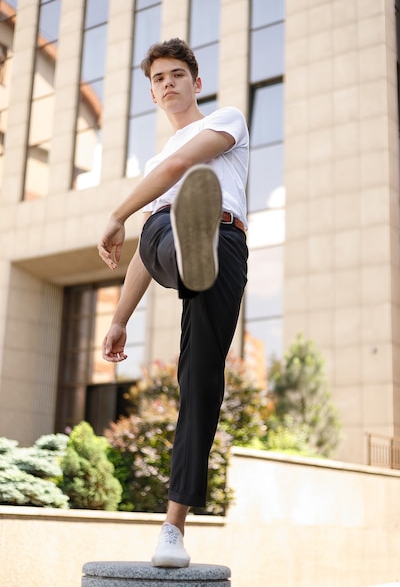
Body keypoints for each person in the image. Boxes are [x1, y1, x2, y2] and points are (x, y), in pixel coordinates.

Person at [98, 38, 249, 568]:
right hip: (169, 237)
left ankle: (173, 527)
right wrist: (119, 320)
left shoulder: (227, 119)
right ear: (153, 93)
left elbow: (184, 161)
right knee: (159, 230)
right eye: (158, 78)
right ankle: (189, 250)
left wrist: (116, 213)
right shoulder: (156, 161)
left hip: (225, 246)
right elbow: (143, 252)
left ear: (195, 83)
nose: (168, 83)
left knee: (201, 386)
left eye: (177, 74)